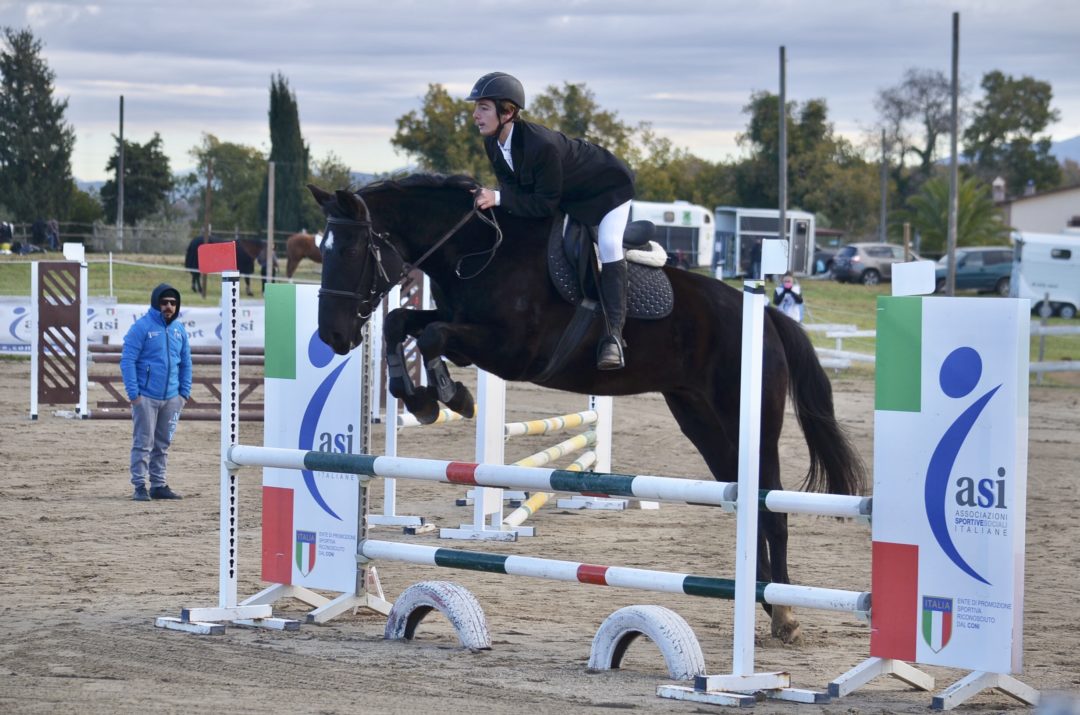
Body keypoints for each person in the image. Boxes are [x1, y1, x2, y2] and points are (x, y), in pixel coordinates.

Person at [467, 72, 635, 370]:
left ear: (507, 112)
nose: (475, 115)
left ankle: (613, 336)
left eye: (483, 107)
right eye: (476, 107)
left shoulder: (540, 146)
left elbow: (542, 204)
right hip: (568, 196)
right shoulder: (493, 144)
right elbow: (515, 192)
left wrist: (499, 198)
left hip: (606, 189)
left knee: (609, 244)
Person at [120, 283, 192, 501]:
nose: (169, 306)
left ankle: (158, 484)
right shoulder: (141, 328)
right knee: (143, 442)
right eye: (164, 302)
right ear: (155, 303)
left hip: (172, 398)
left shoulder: (179, 330)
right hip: (146, 397)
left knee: (163, 443)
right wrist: (134, 395)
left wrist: (183, 394)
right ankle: (140, 485)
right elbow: (127, 361)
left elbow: (186, 363)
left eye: (173, 303)